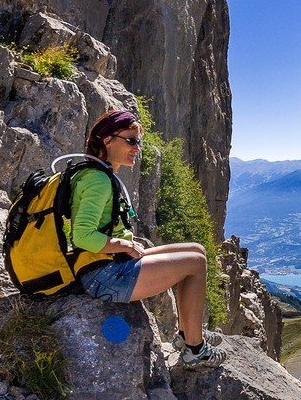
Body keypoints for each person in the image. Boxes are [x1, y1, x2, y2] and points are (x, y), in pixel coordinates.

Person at [72, 110, 228, 369]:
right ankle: (195, 349)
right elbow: (82, 236)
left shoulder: (96, 173)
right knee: (194, 265)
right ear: (108, 140)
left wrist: (123, 244)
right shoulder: (98, 180)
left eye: (139, 142)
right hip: (103, 276)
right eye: (131, 140)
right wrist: (123, 244)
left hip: (105, 264)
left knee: (197, 251)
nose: (137, 148)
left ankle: (187, 333)